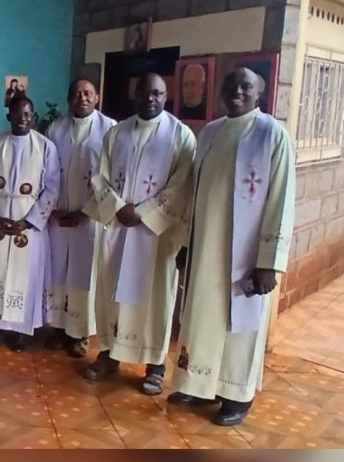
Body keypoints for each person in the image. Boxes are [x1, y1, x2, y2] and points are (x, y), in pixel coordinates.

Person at [168, 68, 296, 426]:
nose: (237, 91)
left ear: (260, 93)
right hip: (205, 246)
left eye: (246, 86)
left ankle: (236, 394)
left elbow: (281, 199)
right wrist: (186, 243)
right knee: (202, 318)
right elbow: (194, 193)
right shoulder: (210, 132)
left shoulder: (272, 135)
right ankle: (199, 383)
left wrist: (269, 261)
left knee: (239, 324)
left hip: (245, 255)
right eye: (231, 85)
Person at [84, 73, 196, 395]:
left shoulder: (181, 136)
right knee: (112, 293)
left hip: (155, 235)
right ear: (135, 94)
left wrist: (143, 211)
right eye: (145, 93)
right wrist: (118, 207)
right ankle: (109, 354)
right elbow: (100, 177)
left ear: (166, 96)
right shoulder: (116, 133)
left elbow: (182, 185)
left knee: (155, 297)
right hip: (118, 230)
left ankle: (155, 365)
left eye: (157, 93)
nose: (150, 98)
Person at [0, 94, 60, 351]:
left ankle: (20, 331)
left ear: (34, 118)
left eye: (27, 114)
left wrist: (29, 222)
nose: (22, 118)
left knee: (25, 276)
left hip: (28, 222)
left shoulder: (45, 147)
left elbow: (52, 188)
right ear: (9, 116)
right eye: (18, 113)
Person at [44, 79, 116, 358]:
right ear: (68, 99)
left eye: (87, 93)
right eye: (75, 94)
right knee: (58, 271)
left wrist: (86, 212)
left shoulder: (110, 130)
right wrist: (52, 208)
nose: (81, 98)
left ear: (97, 97)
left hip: (90, 220)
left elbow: (111, 179)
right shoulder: (55, 129)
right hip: (59, 216)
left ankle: (80, 334)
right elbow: (46, 171)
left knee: (84, 275)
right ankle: (58, 328)